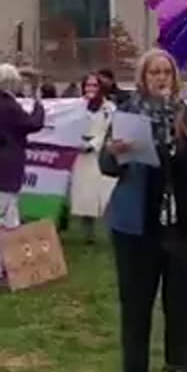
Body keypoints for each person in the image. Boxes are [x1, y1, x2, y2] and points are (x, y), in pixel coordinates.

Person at [100, 49, 187, 372]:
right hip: (137, 227)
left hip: (183, 226)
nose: (161, 78)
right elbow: (107, 164)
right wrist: (116, 151)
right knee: (136, 306)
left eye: (166, 71)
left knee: (181, 309)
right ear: (143, 78)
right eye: (154, 72)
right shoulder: (128, 114)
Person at [0, 63, 45, 285]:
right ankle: (6, 270)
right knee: (9, 219)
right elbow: (33, 123)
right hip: (7, 164)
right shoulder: (7, 105)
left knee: (7, 217)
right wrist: (39, 104)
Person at [69, 73, 117, 244]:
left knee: (105, 194)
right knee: (85, 195)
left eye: (94, 86)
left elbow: (109, 130)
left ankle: (113, 232)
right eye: (88, 86)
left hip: (101, 154)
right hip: (81, 156)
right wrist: (79, 142)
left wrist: (94, 144)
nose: (91, 89)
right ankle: (88, 234)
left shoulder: (109, 108)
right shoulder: (76, 106)